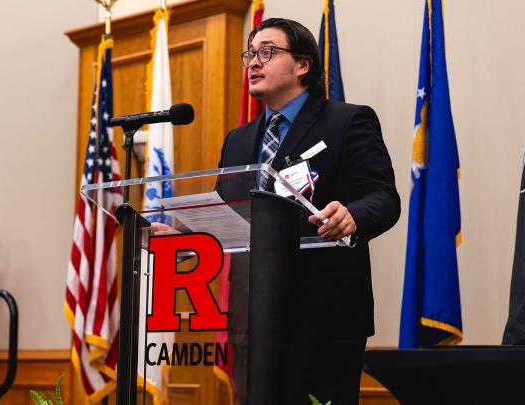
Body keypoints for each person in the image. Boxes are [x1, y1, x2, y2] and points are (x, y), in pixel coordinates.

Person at [151, 17, 399, 405]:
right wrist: (189, 241)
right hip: (250, 314)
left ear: (303, 64)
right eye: (250, 53)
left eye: (266, 52)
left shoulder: (347, 121)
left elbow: (383, 197)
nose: (253, 62)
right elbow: (231, 216)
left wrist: (351, 216)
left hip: (324, 316)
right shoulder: (239, 139)